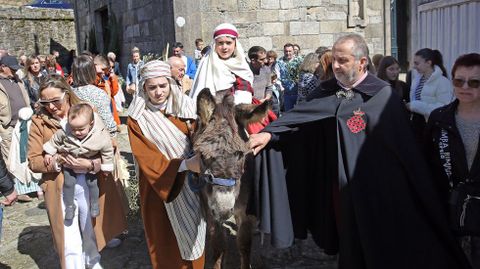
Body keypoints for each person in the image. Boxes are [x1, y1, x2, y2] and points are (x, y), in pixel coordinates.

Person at [249, 34, 470, 269]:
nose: (335, 65)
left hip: (375, 189)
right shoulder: (325, 92)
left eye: (342, 60)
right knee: (347, 239)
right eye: (334, 59)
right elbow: (300, 122)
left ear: (362, 62)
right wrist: (270, 134)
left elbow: (403, 148)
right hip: (337, 187)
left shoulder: (383, 96)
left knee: (375, 242)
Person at [28, 75, 127, 269]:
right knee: (68, 231)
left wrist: (91, 164)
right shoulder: (39, 122)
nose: (51, 107)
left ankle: (92, 262)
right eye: (45, 102)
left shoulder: (87, 112)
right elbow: (34, 161)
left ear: (66, 94)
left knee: (89, 226)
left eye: (55, 101)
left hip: (90, 181)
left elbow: (110, 145)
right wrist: (58, 161)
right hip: (59, 186)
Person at [127, 60, 205, 268]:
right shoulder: (137, 118)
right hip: (158, 183)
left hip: (190, 182)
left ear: (170, 83)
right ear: (144, 87)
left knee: (195, 234)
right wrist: (184, 165)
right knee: (165, 240)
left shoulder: (187, 107)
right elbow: (146, 156)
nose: (158, 92)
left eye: (163, 85)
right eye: (152, 87)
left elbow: (201, 138)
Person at [424, 53, 480, 269]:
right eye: (459, 81)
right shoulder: (440, 119)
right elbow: (428, 165)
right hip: (449, 214)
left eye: (474, 82)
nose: (465, 87)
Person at [43, 103, 114, 220]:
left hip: (89, 161)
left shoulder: (100, 135)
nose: (77, 132)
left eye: (81, 129)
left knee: (92, 183)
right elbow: (54, 141)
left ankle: (94, 204)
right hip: (69, 162)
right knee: (68, 183)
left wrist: (106, 167)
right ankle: (70, 206)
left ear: (91, 124)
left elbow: (107, 150)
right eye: (73, 129)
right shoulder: (65, 131)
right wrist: (48, 153)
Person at [0, 55, 32, 202]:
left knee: (25, 155)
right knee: (10, 159)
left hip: (24, 123)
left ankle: (29, 186)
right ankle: (15, 190)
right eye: (11, 69)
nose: (14, 71)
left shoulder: (16, 79)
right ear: (2, 67)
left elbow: (24, 95)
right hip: (7, 126)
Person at [407, 48, 453, 142]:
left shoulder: (442, 82)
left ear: (428, 63)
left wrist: (415, 105)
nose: (414, 67)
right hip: (417, 125)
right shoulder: (417, 80)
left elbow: (444, 108)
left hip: (432, 127)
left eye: (417, 63)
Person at [71, 55, 118, 137]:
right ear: (92, 72)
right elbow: (108, 124)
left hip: (73, 137)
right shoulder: (99, 94)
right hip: (95, 138)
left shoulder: (68, 92)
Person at [93, 55, 121, 125]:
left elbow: (114, 92)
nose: (104, 71)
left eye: (111, 67)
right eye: (103, 69)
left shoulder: (107, 77)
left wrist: (113, 78)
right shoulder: (94, 78)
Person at [278, 43, 302, 111]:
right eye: (286, 51)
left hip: (298, 93)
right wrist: (281, 87)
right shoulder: (280, 62)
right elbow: (277, 76)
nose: (288, 53)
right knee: (288, 112)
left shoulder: (299, 61)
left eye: (290, 51)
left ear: (293, 51)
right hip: (286, 94)